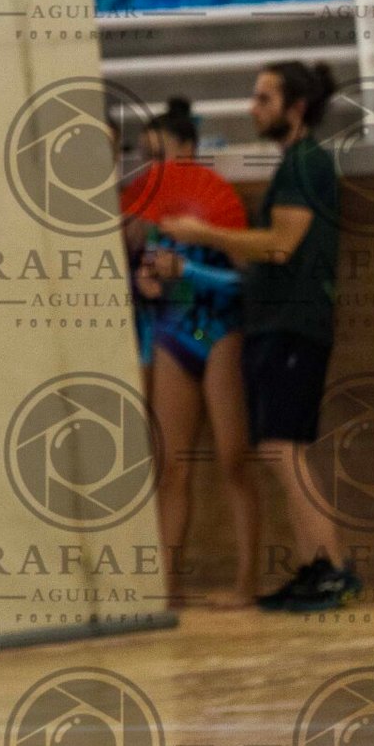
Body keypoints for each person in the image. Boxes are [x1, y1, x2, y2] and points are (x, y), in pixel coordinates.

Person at [161, 60, 358, 614]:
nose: (252, 107)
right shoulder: (294, 164)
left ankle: (331, 568)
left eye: (264, 98)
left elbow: (279, 245)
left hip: (295, 325)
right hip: (279, 324)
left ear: (296, 107)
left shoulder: (306, 163)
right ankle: (317, 567)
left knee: (281, 448)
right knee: (283, 447)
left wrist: (205, 234)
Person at [124, 100, 259, 607]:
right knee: (172, 466)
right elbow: (150, 282)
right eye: (146, 155)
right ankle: (169, 585)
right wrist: (145, 282)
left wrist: (188, 272)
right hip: (173, 334)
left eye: (161, 153)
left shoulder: (218, 202)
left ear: (188, 149)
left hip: (218, 330)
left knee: (233, 459)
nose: (153, 164)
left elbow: (242, 281)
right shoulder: (146, 210)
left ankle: (247, 582)